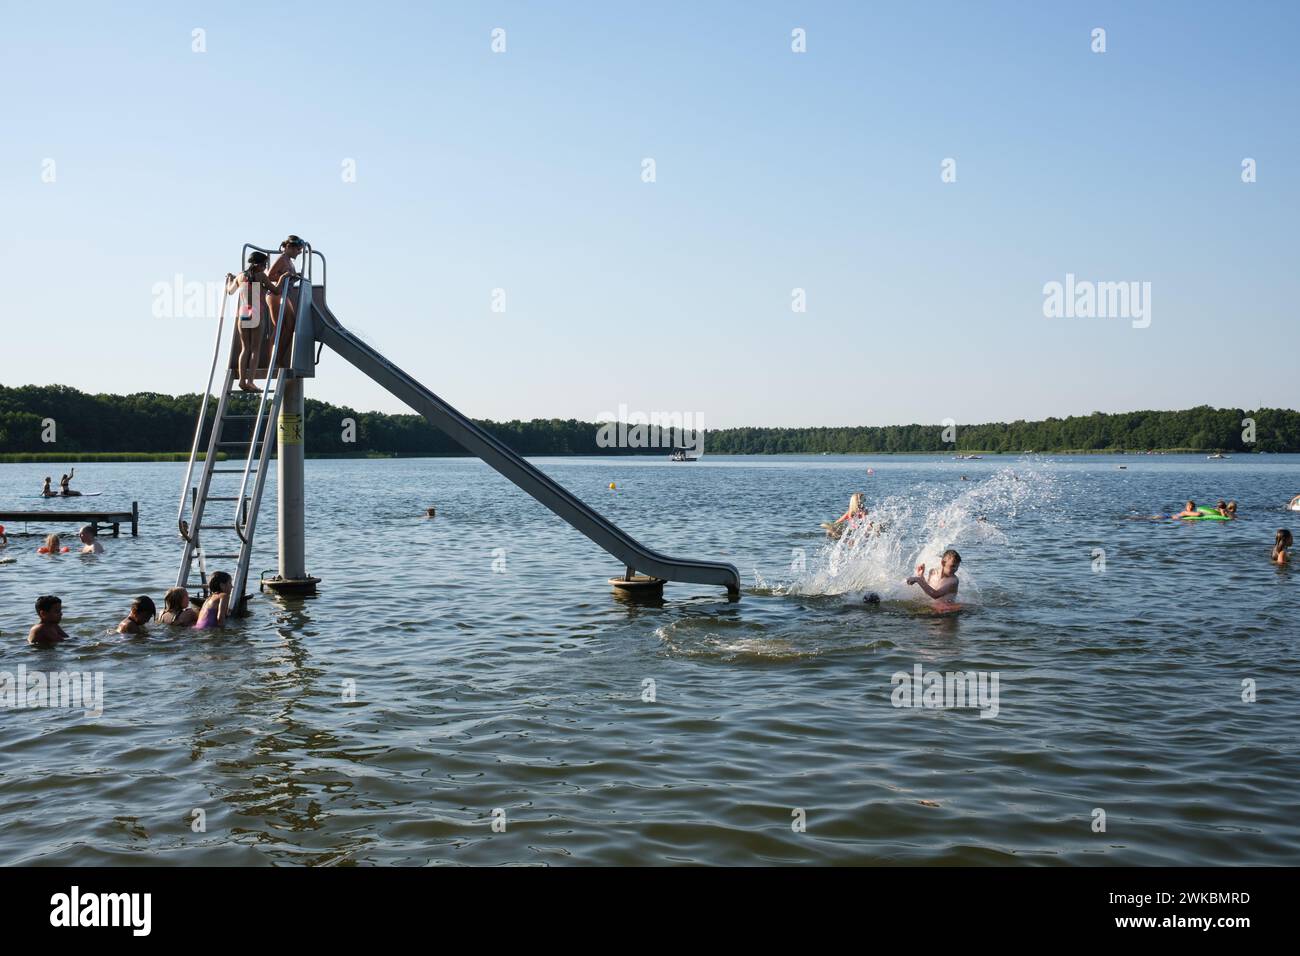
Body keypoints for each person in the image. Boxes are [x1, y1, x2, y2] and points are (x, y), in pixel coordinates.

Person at [226, 251, 273, 392]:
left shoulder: (240, 276)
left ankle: (241, 380)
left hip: (243, 312)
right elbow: (276, 290)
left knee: (245, 348)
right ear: (258, 265)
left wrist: (230, 280)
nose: (265, 267)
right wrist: (283, 278)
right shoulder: (261, 276)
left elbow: (229, 291)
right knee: (255, 350)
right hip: (256, 312)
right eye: (264, 264)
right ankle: (250, 381)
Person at [264, 235, 306, 367]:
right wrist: (284, 276)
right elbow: (269, 276)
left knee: (290, 325)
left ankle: (279, 357)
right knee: (279, 327)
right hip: (276, 294)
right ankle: (273, 360)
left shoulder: (289, 260)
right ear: (289, 247)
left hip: (284, 294)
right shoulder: (282, 258)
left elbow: (286, 275)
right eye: (298, 249)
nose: (299, 252)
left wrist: (294, 276)